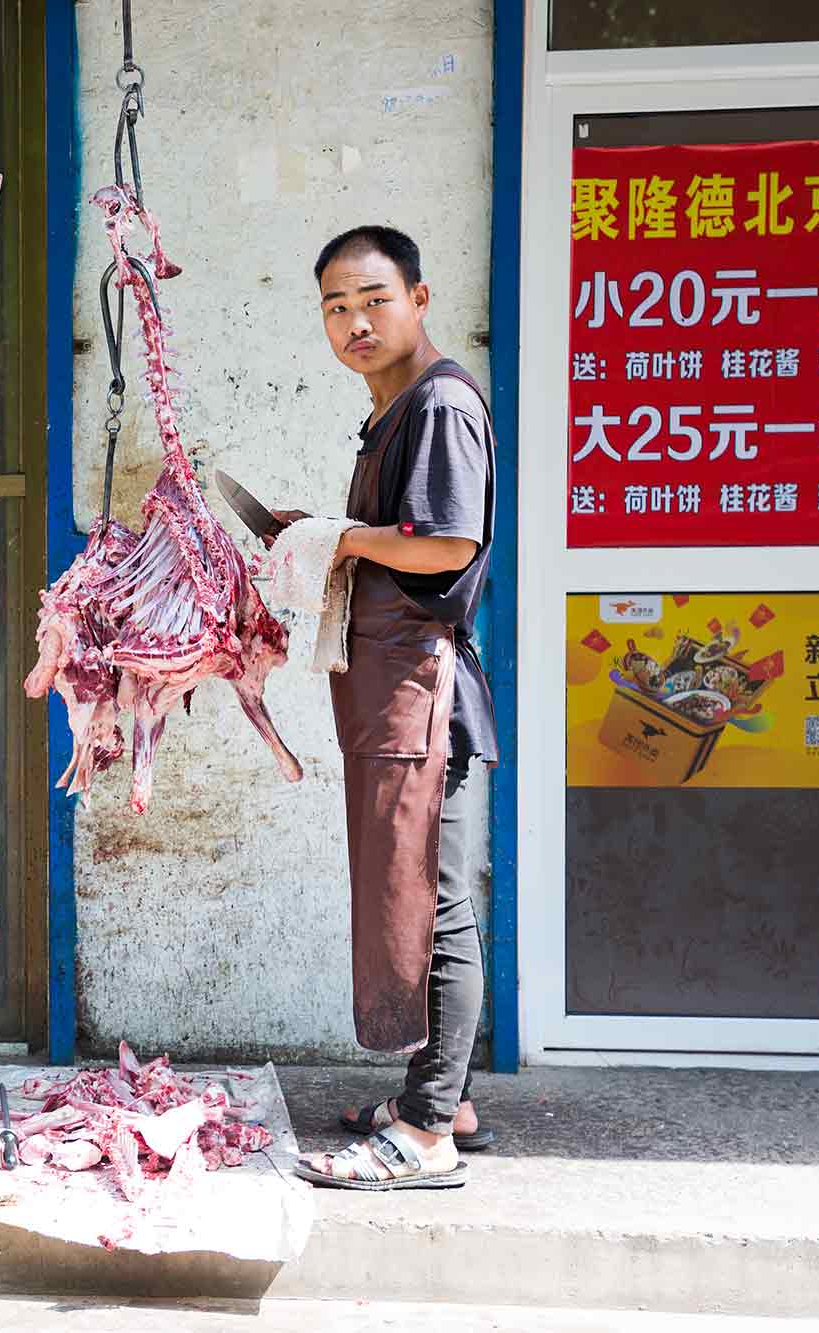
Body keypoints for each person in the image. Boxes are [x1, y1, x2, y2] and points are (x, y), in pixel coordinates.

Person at [284, 225, 500, 1191]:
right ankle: (439, 1095)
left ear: (419, 296)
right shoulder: (392, 411)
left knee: (437, 907)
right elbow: (393, 536)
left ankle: (424, 1136)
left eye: (373, 298)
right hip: (391, 695)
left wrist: (346, 538)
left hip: (427, 701)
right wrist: (327, 535)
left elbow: (445, 544)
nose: (354, 321)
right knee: (410, 894)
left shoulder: (441, 403)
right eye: (335, 306)